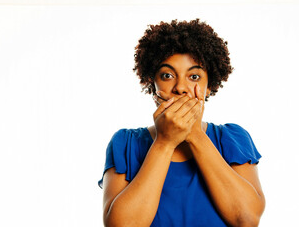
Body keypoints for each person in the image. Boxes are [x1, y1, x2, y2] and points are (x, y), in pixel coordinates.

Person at [98, 19, 265, 227]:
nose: (180, 88)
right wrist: (164, 142)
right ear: (153, 83)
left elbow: (247, 219)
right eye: (167, 75)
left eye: (194, 76)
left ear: (209, 86)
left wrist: (194, 134)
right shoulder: (126, 143)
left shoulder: (232, 138)